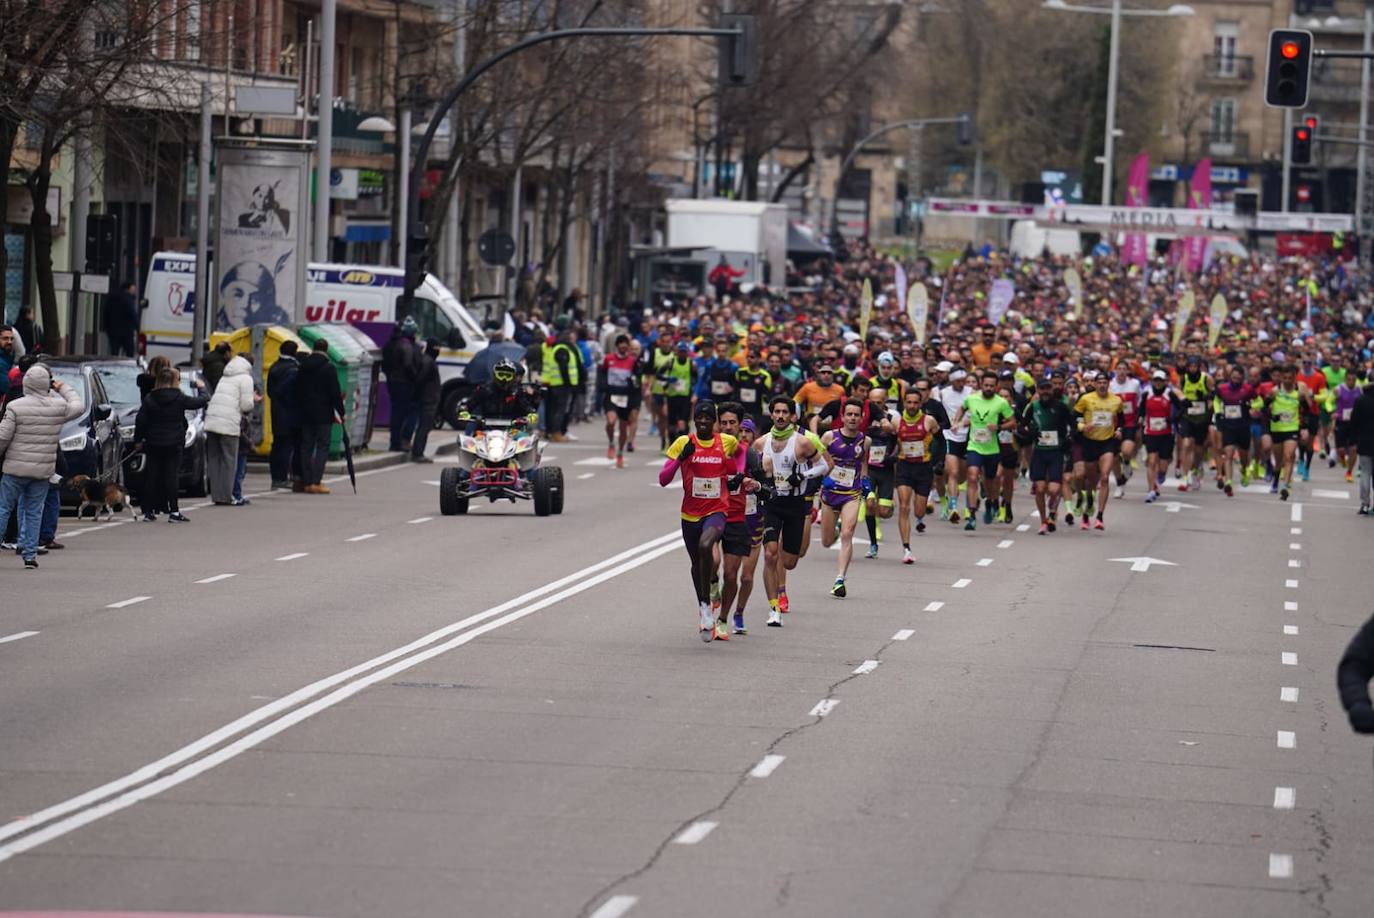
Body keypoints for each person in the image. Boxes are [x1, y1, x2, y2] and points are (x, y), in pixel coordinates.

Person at [659, 400, 738, 642]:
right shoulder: (684, 442)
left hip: (716, 511)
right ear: (694, 420)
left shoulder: (727, 442)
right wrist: (680, 459)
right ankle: (705, 607)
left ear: (713, 421)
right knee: (697, 564)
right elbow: (663, 479)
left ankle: (708, 605)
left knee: (707, 546)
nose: (703, 422)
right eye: (699, 418)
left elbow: (738, 463)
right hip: (690, 514)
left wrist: (737, 478)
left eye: (707, 418)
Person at [0, 363, 83, 568]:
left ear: (26, 383)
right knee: (34, 511)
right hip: (43, 469)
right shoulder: (57, 407)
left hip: (15, 469)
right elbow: (78, 405)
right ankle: (30, 554)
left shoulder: (15, 406)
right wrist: (62, 387)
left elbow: (2, 437)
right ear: (47, 384)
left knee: (4, 508)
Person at [760, 395, 827, 625]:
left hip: (795, 505)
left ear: (792, 416)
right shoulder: (761, 443)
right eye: (776, 411)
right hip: (771, 504)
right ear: (771, 414)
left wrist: (803, 475)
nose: (780, 416)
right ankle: (774, 607)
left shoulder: (802, 442)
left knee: (789, 561)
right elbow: (751, 468)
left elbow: (824, 466)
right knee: (770, 553)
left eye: (784, 412)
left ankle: (781, 584)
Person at [715, 403, 766, 636]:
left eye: (732, 423)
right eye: (723, 423)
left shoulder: (750, 454)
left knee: (734, 575)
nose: (728, 428)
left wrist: (755, 485)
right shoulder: (709, 449)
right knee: (711, 563)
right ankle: (712, 588)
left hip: (740, 518)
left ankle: (725, 618)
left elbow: (765, 485)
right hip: (711, 515)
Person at [134, 366, 208, 522]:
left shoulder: (149, 398)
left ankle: (148, 512)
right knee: (171, 476)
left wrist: (138, 440)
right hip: (174, 442)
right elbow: (199, 402)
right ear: (175, 381)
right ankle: (173, 511)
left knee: (152, 475)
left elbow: (140, 421)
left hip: (153, 442)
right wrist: (202, 389)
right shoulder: (179, 397)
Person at [950, 370, 1015, 531]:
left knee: (990, 481)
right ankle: (971, 514)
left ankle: (991, 502)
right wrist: (956, 421)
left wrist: (998, 427)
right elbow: (962, 408)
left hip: (992, 448)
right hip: (974, 446)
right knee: (972, 476)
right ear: (981, 384)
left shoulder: (1001, 402)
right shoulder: (972, 399)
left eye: (991, 386)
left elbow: (1012, 422)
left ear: (996, 386)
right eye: (985, 385)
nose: (988, 388)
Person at [818, 399, 868, 597]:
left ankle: (840, 579)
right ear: (843, 417)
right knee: (827, 542)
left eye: (857, 415)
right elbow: (817, 462)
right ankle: (835, 531)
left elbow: (864, 464)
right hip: (830, 495)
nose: (853, 418)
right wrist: (823, 479)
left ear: (862, 417)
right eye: (849, 414)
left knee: (848, 533)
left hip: (851, 494)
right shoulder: (829, 437)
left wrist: (867, 486)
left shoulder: (865, 440)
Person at [1072, 370, 1124, 531]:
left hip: (1107, 443)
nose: (1102, 385)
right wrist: (1082, 426)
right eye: (1099, 383)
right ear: (1094, 384)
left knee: (1105, 477)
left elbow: (1121, 419)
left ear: (1109, 384)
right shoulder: (1086, 399)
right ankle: (1087, 511)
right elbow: (1075, 417)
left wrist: (1119, 429)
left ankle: (1100, 517)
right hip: (1089, 442)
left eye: (1105, 382)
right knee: (1090, 481)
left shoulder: (1116, 400)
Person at [1025, 373, 1073, 534]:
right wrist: (1030, 432)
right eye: (1042, 389)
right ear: (1038, 390)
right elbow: (1021, 426)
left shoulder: (1061, 407)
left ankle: (1053, 510)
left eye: (1048, 389)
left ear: (1052, 390)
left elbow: (1072, 425)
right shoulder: (1033, 407)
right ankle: (1044, 520)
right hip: (1039, 452)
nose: (1045, 392)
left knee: (1053, 489)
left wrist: (1068, 439)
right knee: (1039, 488)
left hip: (1056, 452)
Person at [204, 352, 255, 505]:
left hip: (212, 420)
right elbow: (246, 405)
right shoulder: (246, 378)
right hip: (229, 423)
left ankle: (216, 496)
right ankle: (227, 497)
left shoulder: (225, 376)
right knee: (228, 460)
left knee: (214, 459)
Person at [297, 338, 344, 494]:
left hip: (304, 412)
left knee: (306, 446)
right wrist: (340, 411)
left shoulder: (303, 366)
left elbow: (298, 388)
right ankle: (316, 482)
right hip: (323, 413)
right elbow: (334, 392)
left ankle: (307, 481)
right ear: (326, 349)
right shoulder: (328, 367)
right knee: (323, 446)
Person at [458, 359, 541, 432]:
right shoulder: (484, 389)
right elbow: (468, 403)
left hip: (512, 431)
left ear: (513, 377)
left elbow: (526, 406)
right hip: (485, 430)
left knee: (525, 441)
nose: (504, 378)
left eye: (508, 375)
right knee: (468, 444)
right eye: (501, 374)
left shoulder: (517, 391)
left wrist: (532, 413)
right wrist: (463, 411)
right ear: (495, 374)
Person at [382, 316, 421, 451]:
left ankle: (394, 441)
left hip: (392, 382)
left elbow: (385, 365)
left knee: (396, 411)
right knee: (408, 411)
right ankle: (401, 440)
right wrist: (415, 378)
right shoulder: (406, 346)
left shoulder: (390, 344)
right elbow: (408, 364)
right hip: (405, 383)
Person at [266, 341, 302, 489]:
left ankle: (276, 477)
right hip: (289, 413)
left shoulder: (274, 367)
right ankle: (282, 478)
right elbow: (294, 393)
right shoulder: (293, 369)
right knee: (287, 447)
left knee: (277, 445)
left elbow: (270, 391)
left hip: (276, 412)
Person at [602, 334, 641, 468]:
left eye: (626, 344)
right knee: (611, 422)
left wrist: (634, 383)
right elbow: (602, 373)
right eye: (621, 343)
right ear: (617, 345)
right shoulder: (608, 359)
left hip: (625, 397)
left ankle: (619, 453)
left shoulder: (632, 361)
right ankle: (611, 442)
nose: (623, 346)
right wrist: (602, 387)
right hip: (611, 395)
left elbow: (637, 379)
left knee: (623, 427)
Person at [410, 338, 442, 463]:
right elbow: (421, 380)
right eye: (437, 348)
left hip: (429, 398)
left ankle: (418, 451)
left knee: (425, 426)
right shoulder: (428, 362)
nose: (438, 351)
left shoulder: (428, 360)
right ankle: (418, 452)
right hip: (428, 399)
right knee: (424, 426)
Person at [1351, 379, 1374, 515]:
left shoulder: (1361, 400)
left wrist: (1353, 441)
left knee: (1365, 472)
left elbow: (1354, 422)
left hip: (1364, 441)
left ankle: (1364, 504)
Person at [104, 281, 141, 357]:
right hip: (126, 331)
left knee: (114, 352)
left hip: (113, 330)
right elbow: (132, 314)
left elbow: (105, 313)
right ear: (129, 288)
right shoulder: (128, 298)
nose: (134, 291)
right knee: (129, 353)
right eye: (133, 289)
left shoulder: (112, 297)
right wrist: (138, 328)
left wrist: (107, 328)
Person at [0, 325, 16, 401]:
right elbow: (6, 387)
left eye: (11, 339)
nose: (9, 342)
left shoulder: (8, 357)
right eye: (5, 338)